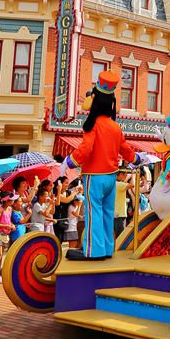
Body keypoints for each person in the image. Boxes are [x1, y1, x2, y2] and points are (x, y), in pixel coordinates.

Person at [61, 70, 151, 260]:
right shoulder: (115, 126)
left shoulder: (93, 124)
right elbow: (125, 150)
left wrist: (69, 162)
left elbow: (85, 149)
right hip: (111, 176)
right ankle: (107, 248)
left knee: (93, 214)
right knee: (108, 214)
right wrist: (137, 159)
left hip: (94, 176)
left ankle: (93, 251)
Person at [0, 192, 15, 283]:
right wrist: (6, 226)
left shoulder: (10, 209)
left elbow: (8, 221)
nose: (13, 201)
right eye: (11, 200)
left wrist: (11, 225)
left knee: (0, 255)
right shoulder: (0, 209)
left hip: (5, 234)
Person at [114, 169, 133, 239]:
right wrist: (132, 176)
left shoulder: (114, 184)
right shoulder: (119, 184)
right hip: (119, 215)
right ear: (121, 174)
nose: (126, 176)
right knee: (120, 237)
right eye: (125, 175)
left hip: (115, 214)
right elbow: (132, 185)